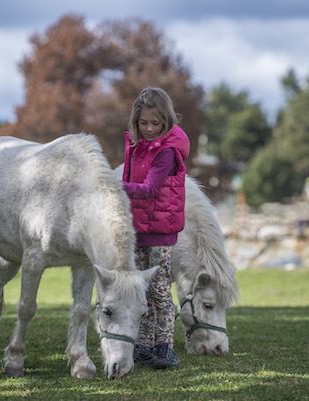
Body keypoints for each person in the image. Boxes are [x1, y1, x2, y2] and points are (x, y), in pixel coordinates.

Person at [121, 87, 190, 368]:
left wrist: (113, 186)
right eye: (143, 123)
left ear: (166, 122)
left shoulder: (167, 153)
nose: (149, 129)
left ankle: (165, 346)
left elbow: (149, 189)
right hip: (138, 231)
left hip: (160, 234)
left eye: (156, 124)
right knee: (142, 290)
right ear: (135, 121)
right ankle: (144, 345)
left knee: (160, 290)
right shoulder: (135, 149)